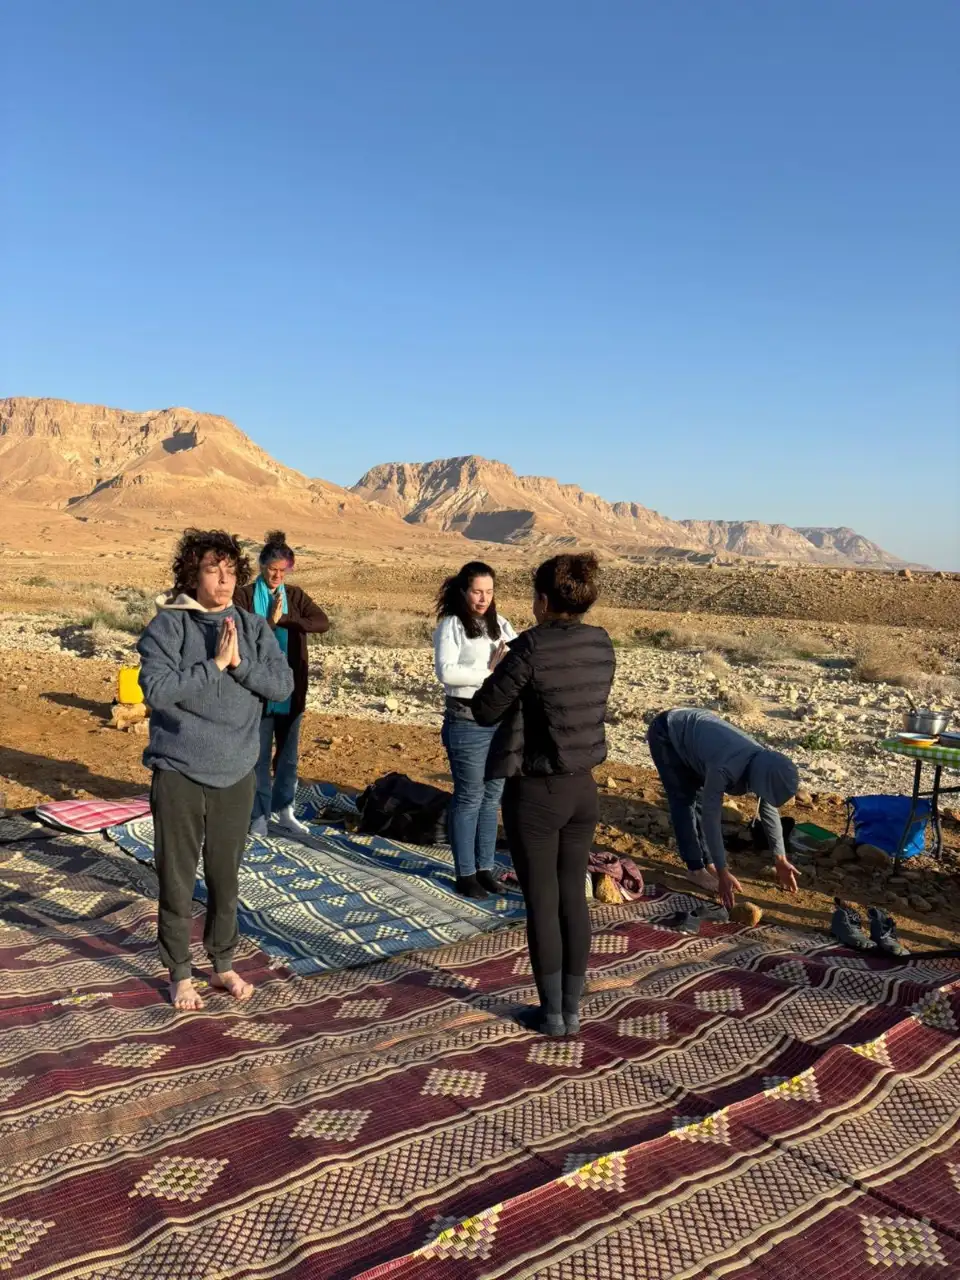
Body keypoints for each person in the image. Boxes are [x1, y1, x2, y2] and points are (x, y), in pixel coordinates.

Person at [138, 529, 294, 1011]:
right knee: (177, 878)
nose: (224, 580)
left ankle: (223, 962)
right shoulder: (169, 626)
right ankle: (180, 973)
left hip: (236, 772)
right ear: (194, 575)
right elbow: (155, 690)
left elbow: (282, 686)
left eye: (230, 571)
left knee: (226, 878)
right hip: (179, 771)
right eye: (212, 570)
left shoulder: (253, 626)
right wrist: (215, 664)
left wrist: (240, 665)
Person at [472, 553, 615, 1036]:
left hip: (536, 792)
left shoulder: (530, 647)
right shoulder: (601, 642)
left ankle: (552, 1014)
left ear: (542, 600)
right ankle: (571, 1008)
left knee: (542, 900)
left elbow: (486, 709)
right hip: (583, 789)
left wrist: (498, 667)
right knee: (572, 894)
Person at [646, 707, 801, 911]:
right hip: (667, 732)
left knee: (699, 799)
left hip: (699, 736)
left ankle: (707, 861)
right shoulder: (725, 769)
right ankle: (695, 868)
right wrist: (723, 871)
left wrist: (780, 858)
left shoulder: (765, 763)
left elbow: (768, 808)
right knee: (684, 800)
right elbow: (711, 818)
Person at [234, 530, 330, 837]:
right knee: (258, 756)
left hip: (291, 689)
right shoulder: (244, 596)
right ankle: (258, 814)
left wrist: (286, 619)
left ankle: (284, 810)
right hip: (257, 690)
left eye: (283, 571)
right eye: (272, 570)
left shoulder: (296, 596)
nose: (277, 576)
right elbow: (240, 631)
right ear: (261, 566)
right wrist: (269, 623)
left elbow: (322, 622)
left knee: (288, 756)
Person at [434, 561, 517, 899]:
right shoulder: (452, 625)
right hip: (466, 720)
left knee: (492, 796)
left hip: (500, 720)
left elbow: (518, 659)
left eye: (489, 591)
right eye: (477, 592)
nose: (483, 599)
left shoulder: (501, 624)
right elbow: (447, 673)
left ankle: (485, 868)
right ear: (463, 591)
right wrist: (490, 672)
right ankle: (465, 873)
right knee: (469, 796)